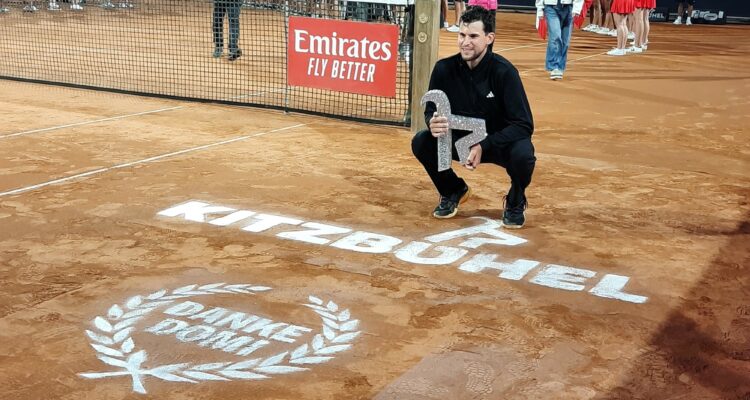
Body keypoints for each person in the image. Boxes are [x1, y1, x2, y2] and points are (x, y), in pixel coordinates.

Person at [412, 6, 535, 229]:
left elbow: (523, 124)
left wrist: (484, 144)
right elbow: (431, 108)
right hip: (460, 141)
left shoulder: (505, 72)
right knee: (421, 141)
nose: (465, 42)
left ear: (489, 38)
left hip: (495, 143)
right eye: (461, 35)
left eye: (473, 36)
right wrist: (432, 121)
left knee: (523, 155)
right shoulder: (443, 69)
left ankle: (516, 199)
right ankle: (453, 189)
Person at [536, 0, 583, 80]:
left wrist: (577, 8)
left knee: (566, 41)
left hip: (568, 8)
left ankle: (560, 67)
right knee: (555, 36)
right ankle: (554, 67)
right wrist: (540, 8)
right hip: (551, 7)